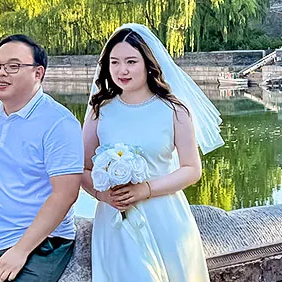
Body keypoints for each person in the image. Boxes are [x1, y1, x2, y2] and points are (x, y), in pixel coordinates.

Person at [81, 24, 224, 282]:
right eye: (114, 62)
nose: (122, 70)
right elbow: (82, 168)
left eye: (131, 61)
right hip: (116, 220)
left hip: (165, 215)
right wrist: (102, 194)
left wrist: (144, 189)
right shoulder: (99, 110)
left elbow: (192, 169)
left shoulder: (174, 110)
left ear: (148, 63)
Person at [0, 35, 83, 282]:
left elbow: (66, 194)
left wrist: (21, 250)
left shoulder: (59, 123)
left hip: (39, 244)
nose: (1, 73)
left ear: (38, 73)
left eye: (13, 66)